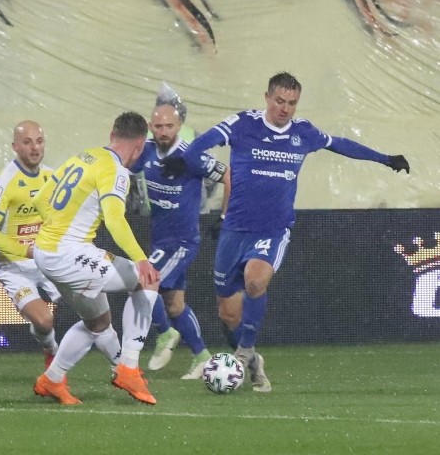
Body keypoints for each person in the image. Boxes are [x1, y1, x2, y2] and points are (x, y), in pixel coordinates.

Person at [163, 72, 410, 392]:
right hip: (235, 229)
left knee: (256, 279)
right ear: (267, 97)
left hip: (273, 229)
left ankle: (245, 351)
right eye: (279, 101)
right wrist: (189, 163)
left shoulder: (303, 133)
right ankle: (253, 362)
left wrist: (385, 159)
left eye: (292, 103)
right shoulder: (242, 124)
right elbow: (201, 145)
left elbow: (341, 144)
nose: (285, 108)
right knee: (228, 315)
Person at [32, 112, 161, 406]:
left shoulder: (84, 156)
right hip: (69, 252)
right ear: (139, 146)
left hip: (46, 251)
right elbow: (115, 219)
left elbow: (41, 198)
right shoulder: (116, 171)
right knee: (149, 281)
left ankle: (51, 380)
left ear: (112, 135)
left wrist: (55, 230)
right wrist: (141, 259)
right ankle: (128, 368)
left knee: (98, 322)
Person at [130, 84, 229, 381]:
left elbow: (228, 175)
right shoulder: (144, 152)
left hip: (182, 241)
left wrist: (223, 216)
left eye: (169, 126)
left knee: (143, 281)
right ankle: (202, 358)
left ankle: (165, 334)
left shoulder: (192, 156)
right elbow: (120, 166)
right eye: (158, 126)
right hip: (161, 237)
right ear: (150, 127)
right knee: (175, 304)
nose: (163, 131)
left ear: (179, 126)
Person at [0, 121, 60, 366]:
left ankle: (122, 367)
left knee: (94, 306)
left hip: (45, 258)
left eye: (39, 141)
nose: (35, 148)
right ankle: (51, 351)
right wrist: (26, 250)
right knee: (44, 321)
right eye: (27, 142)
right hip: (12, 265)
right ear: (15, 146)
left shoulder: (52, 177)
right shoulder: (6, 182)